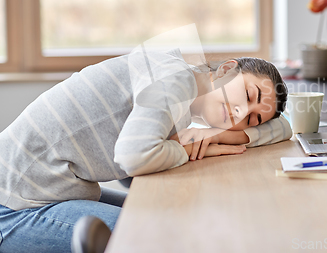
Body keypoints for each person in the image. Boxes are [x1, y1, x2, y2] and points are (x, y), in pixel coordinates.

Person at [0, 48, 291, 253]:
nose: (242, 113)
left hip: (50, 191)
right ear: (227, 69)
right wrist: (184, 148)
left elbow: (285, 129)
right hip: (14, 205)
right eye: (250, 95)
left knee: (179, 221)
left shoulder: (185, 86)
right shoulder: (174, 81)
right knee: (160, 235)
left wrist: (226, 136)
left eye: (252, 119)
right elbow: (134, 158)